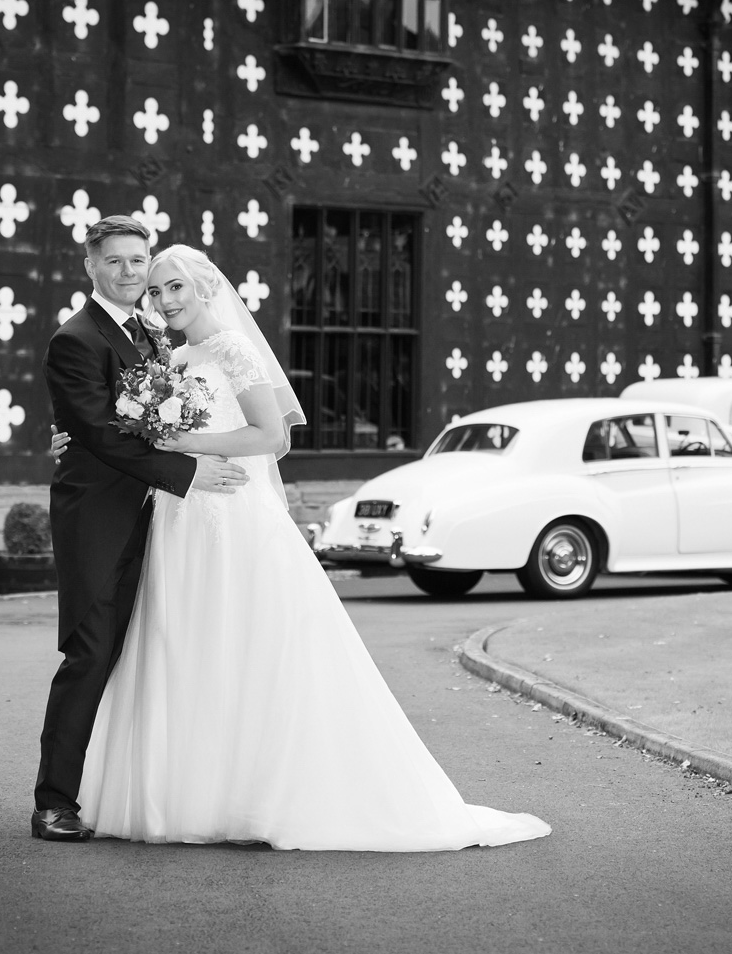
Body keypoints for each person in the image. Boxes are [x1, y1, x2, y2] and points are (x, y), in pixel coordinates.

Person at [51, 244, 551, 851]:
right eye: (156, 290)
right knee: (184, 648)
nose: (162, 297)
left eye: (171, 284)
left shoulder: (231, 349)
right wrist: (78, 440)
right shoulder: (167, 351)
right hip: (178, 522)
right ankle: (180, 793)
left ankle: (264, 794)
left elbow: (272, 436)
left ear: (208, 286)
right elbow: (113, 422)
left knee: (251, 649)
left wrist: (182, 440)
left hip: (229, 513)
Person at [34, 217, 249, 842]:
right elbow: (99, 432)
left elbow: (145, 418)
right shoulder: (75, 338)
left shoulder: (155, 334)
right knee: (91, 654)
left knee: (155, 656)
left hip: (162, 523)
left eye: (139, 261)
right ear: (91, 267)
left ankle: (163, 792)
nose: (130, 273)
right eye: (116, 262)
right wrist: (187, 471)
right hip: (100, 520)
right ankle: (53, 802)